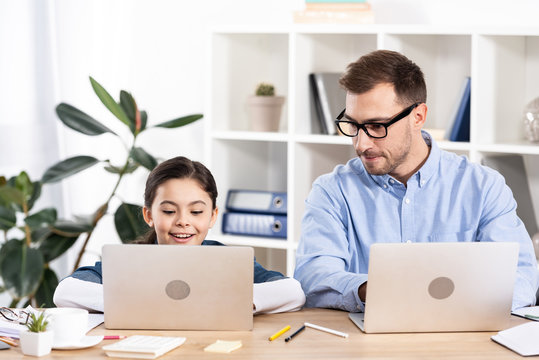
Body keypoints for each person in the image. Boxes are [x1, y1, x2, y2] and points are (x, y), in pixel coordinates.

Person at [294, 49, 539, 312]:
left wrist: (449, 305)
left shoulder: (483, 187)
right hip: (365, 346)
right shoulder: (332, 191)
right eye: (353, 125)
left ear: (418, 116)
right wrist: (374, 289)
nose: (361, 143)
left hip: (462, 341)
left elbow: (521, 280)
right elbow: (312, 278)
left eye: (377, 126)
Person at [54, 156, 305, 314]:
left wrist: (234, 301)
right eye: (169, 210)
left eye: (196, 211)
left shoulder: (225, 259)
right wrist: (151, 303)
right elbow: (66, 291)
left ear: (213, 216)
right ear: (149, 215)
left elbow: (293, 291)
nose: (183, 221)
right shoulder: (129, 260)